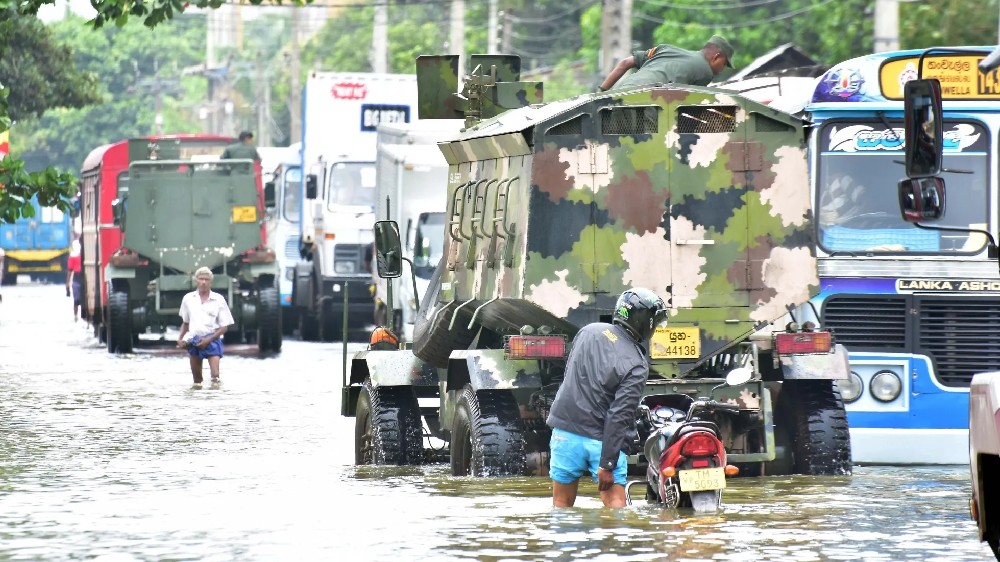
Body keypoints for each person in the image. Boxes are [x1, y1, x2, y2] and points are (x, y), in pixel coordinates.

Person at [546, 287, 667, 508]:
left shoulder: (588, 332)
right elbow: (620, 414)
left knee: (561, 506)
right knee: (615, 508)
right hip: (602, 442)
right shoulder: (637, 364)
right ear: (645, 323)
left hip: (565, 434)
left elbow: (570, 377)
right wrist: (607, 464)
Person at [599, 35, 734, 92]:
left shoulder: (665, 49)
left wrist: (600, 93)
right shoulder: (705, 72)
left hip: (621, 92)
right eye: (724, 64)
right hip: (646, 102)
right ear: (716, 57)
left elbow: (624, 63)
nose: (722, 69)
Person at [177, 267, 235, 385]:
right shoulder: (188, 299)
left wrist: (209, 340)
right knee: (197, 380)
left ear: (211, 282)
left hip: (212, 340)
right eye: (201, 279)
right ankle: (200, 396)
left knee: (215, 376)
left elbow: (224, 327)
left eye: (206, 279)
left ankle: (214, 394)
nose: (203, 282)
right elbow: (186, 323)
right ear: (196, 281)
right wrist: (180, 339)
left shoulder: (218, 299)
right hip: (194, 340)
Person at [66, 240, 82, 321]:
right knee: (79, 299)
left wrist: (67, 285)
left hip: (77, 279)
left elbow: (69, 271)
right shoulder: (79, 256)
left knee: (76, 300)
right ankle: (76, 316)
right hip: (81, 278)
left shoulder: (72, 257)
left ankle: (76, 316)